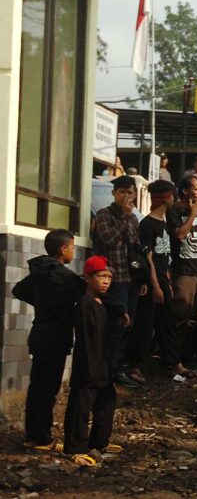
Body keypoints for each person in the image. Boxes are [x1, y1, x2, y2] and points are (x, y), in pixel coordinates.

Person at [14, 229, 84, 451]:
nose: (73, 251)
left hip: (39, 333)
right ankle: (43, 438)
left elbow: (18, 290)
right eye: (72, 247)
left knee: (37, 386)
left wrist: (43, 303)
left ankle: (32, 435)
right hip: (56, 336)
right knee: (48, 388)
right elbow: (86, 292)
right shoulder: (66, 277)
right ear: (63, 249)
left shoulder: (39, 272)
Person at [63, 256, 123, 467]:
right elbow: (87, 340)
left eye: (108, 277)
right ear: (88, 278)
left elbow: (118, 308)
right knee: (81, 407)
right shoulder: (85, 304)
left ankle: (99, 442)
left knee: (106, 405)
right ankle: (74, 447)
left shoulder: (103, 301)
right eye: (101, 276)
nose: (106, 281)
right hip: (89, 365)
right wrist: (91, 368)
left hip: (105, 362)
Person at [90, 175, 143, 388]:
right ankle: (111, 370)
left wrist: (142, 276)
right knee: (117, 323)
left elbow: (136, 247)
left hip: (131, 277)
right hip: (114, 277)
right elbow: (109, 239)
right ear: (114, 193)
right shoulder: (104, 214)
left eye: (130, 192)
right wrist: (123, 217)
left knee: (129, 325)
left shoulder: (133, 218)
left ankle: (120, 367)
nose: (126, 196)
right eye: (122, 192)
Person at [136, 180, 189, 381]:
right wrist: (156, 285)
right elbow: (147, 256)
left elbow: (163, 256)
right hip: (152, 282)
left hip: (162, 280)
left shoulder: (163, 223)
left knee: (167, 322)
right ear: (167, 198)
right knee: (146, 324)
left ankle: (173, 362)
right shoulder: (148, 224)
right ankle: (136, 365)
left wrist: (166, 281)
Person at [166, 176, 197, 363]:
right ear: (185, 191)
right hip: (183, 271)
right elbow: (181, 235)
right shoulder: (175, 210)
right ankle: (174, 361)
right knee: (180, 317)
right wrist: (193, 214)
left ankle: (190, 356)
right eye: (196, 189)